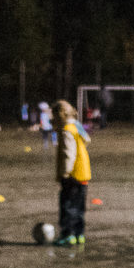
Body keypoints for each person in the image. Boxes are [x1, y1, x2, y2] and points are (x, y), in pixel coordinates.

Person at [54, 99, 91, 246]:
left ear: (59, 115)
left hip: (72, 174)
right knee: (79, 206)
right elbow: (87, 139)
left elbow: (69, 153)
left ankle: (67, 235)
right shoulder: (77, 125)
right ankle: (79, 234)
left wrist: (65, 172)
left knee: (68, 205)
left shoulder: (67, 130)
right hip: (84, 172)